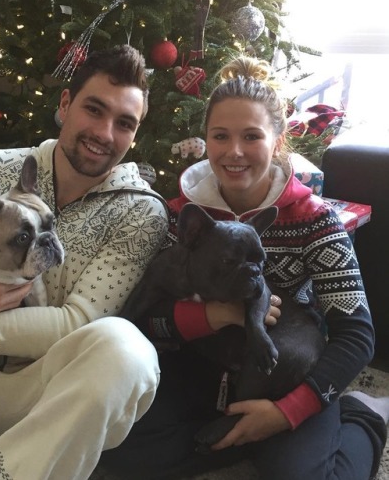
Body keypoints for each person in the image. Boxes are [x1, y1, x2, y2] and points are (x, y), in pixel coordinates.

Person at [100, 56, 389, 480]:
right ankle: (238, 440)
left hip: (285, 373)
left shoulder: (316, 219)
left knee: (302, 475)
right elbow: (146, 319)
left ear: (277, 141)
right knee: (119, 451)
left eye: (251, 136)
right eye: (221, 136)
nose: (234, 152)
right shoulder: (181, 218)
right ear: (206, 141)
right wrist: (211, 316)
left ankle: (363, 417)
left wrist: (287, 412)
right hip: (199, 367)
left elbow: (356, 335)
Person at [0, 44, 170, 480]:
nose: (104, 132)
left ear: (135, 134)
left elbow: (75, 325)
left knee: (126, 351)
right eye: (94, 110)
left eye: (124, 123)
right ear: (65, 104)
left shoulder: (140, 212)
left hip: (43, 396)